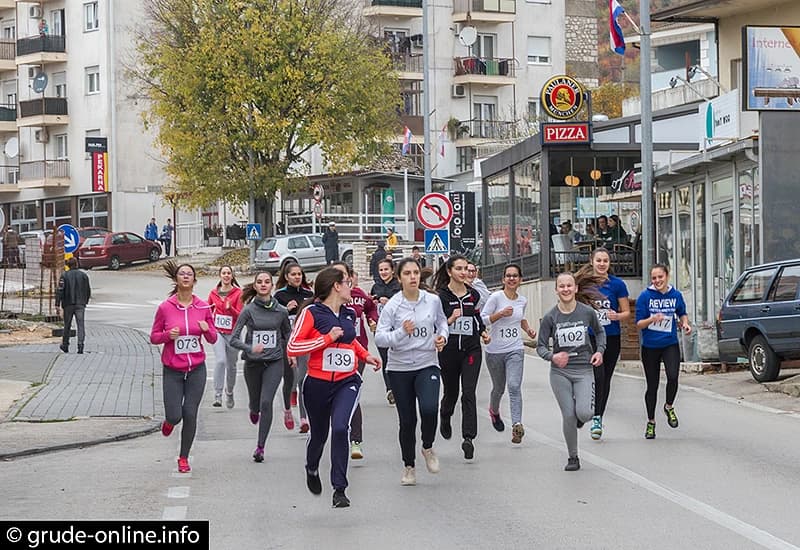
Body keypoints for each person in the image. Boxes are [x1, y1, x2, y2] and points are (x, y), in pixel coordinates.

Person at [287, 267, 381, 508]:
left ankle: (340, 489)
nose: (352, 287)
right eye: (348, 283)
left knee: (341, 428)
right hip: (317, 383)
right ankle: (311, 467)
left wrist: (365, 355)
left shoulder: (350, 313)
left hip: (346, 381)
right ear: (336, 286)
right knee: (319, 435)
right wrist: (326, 339)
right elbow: (293, 347)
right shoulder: (311, 313)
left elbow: (350, 342)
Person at [375, 258, 448, 486]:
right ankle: (409, 466)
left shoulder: (433, 301)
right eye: (407, 273)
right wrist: (400, 333)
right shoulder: (393, 306)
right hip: (400, 369)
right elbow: (379, 337)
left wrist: (442, 337)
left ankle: (427, 446)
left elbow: (442, 323)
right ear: (399, 278)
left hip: (427, 363)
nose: (413, 277)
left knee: (429, 408)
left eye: (416, 272)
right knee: (407, 421)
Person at [150, 262, 218, 473]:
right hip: (173, 369)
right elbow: (154, 337)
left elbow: (214, 338)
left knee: (190, 413)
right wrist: (166, 336)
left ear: (194, 280)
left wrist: (207, 330)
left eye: (189, 274)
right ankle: (169, 422)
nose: (186, 277)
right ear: (177, 280)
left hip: (197, 368)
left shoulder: (203, 307)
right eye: (182, 274)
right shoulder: (165, 307)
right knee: (175, 415)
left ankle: (183, 457)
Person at [536, 272, 605, 472]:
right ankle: (573, 456)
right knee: (568, 415)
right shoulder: (550, 316)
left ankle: (579, 417)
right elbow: (540, 346)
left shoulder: (586, 312)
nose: (565, 289)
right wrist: (553, 357)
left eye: (569, 286)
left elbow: (600, 333)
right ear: (556, 290)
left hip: (584, 369)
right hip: (560, 373)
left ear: (575, 289)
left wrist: (599, 352)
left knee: (585, 413)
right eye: (561, 286)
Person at [229, 271, 293, 462]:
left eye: (267, 282)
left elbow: (288, 335)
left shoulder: (281, 311)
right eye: (260, 282)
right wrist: (250, 348)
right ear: (255, 286)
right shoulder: (248, 310)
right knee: (256, 403)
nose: (263, 284)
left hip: (274, 361)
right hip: (253, 364)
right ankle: (252, 408)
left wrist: (291, 354)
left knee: (267, 402)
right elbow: (233, 339)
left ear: (272, 285)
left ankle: (260, 447)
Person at [433, 255, 490, 460]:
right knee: (451, 393)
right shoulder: (440, 297)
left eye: (466, 269)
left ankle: (468, 438)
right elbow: (436, 325)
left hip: (471, 350)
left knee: (468, 392)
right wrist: (450, 319)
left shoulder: (473, 295)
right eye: (459, 269)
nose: (464, 272)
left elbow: (476, 317)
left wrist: (483, 331)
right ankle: (445, 414)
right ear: (449, 271)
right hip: (448, 351)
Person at [577, 248, 630, 440]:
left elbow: (626, 313)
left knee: (605, 379)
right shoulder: (582, 284)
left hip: (611, 337)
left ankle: (597, 417)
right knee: (595, 376)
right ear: (592, 261)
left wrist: (617, 315)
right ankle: (584, 410)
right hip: (590, 337)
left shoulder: (617, 285)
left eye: (605, 261)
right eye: (598, 260)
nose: (601, 264)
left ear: (609, 263)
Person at [482, 263, 537, 444]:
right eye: (508, 276)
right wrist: (499, 314)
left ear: (520, 280)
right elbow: (482, 319)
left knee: (514, 386)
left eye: (515, 276)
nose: (512, 278)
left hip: (515, 349)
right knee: (499, 388)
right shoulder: (496, 297)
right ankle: (494, 411)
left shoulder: (522, 300)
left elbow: (520, 318)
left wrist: (528, 330)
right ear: (503, 280)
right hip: (494, 351)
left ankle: (516, 425)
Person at [635, 264, 691, 440]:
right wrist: (652, 318)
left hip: (669, 343)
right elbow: (638, 324)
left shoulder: (676, 295)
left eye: (660, 277)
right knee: (652, 386)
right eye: (654, 278)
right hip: (650, 346)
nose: (657, 281)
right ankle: (651, 422)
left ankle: (668, 406)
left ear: (667, 276)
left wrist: (685, 323)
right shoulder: (645, 296)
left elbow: (682, 313)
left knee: (673, 376)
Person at [330, 263, 378, 460]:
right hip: (330, 356)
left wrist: (372, 319)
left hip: (356, 352)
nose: (342, 279)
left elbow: (370, 308)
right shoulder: (324, 300)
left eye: (344, 275)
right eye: (337, 275)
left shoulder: (357, 295)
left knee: (351, 393)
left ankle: (355, 440)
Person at [274, 262, 314, 432]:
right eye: (293, 274)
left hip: (304, 342)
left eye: (299, 274)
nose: (297, 277)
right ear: (286, 277)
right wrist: (285, 309)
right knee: (289, 379)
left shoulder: (308, 294)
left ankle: (304, 418)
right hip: (286, 341)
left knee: (303, 379)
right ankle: (288, 410)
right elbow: (272, 318)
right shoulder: (279, 296)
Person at [207, 266, 243, 408]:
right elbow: (207, 312)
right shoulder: (213, 293)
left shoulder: (238, 293)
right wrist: (208, 328)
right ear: (220, 275)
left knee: (231, 365)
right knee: (221, 361)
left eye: (229, 273)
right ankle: (217, 395)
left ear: (232, 276)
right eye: (224, 273)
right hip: (218, 333)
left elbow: (241, 316)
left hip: (233, 334)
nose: (226, 275)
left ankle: (229, 391)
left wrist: (230, 309)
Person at [371, 258, 401, 405]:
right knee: (386, 359)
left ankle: (400, 387)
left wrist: (389, 303)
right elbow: (370, 308)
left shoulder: (399, 286)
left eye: (386, 269)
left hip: (397, 328)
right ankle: (390, 390)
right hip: (381, 329)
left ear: (392, 270)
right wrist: (371, 319)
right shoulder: (375, 287)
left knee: (397, 358)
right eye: (381, 270)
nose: (383, 272)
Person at [56, 257, 92, 354]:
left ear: (68, 265)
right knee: (81, 325)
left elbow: (60, 290)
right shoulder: (84, 276)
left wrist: (57, 304)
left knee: (67, 325)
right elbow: (88, 290)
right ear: (76, 264)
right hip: (80, 303)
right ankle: (80, 346)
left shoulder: (64, 276)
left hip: (68, 304)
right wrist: (85, 301)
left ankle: (65, 345)